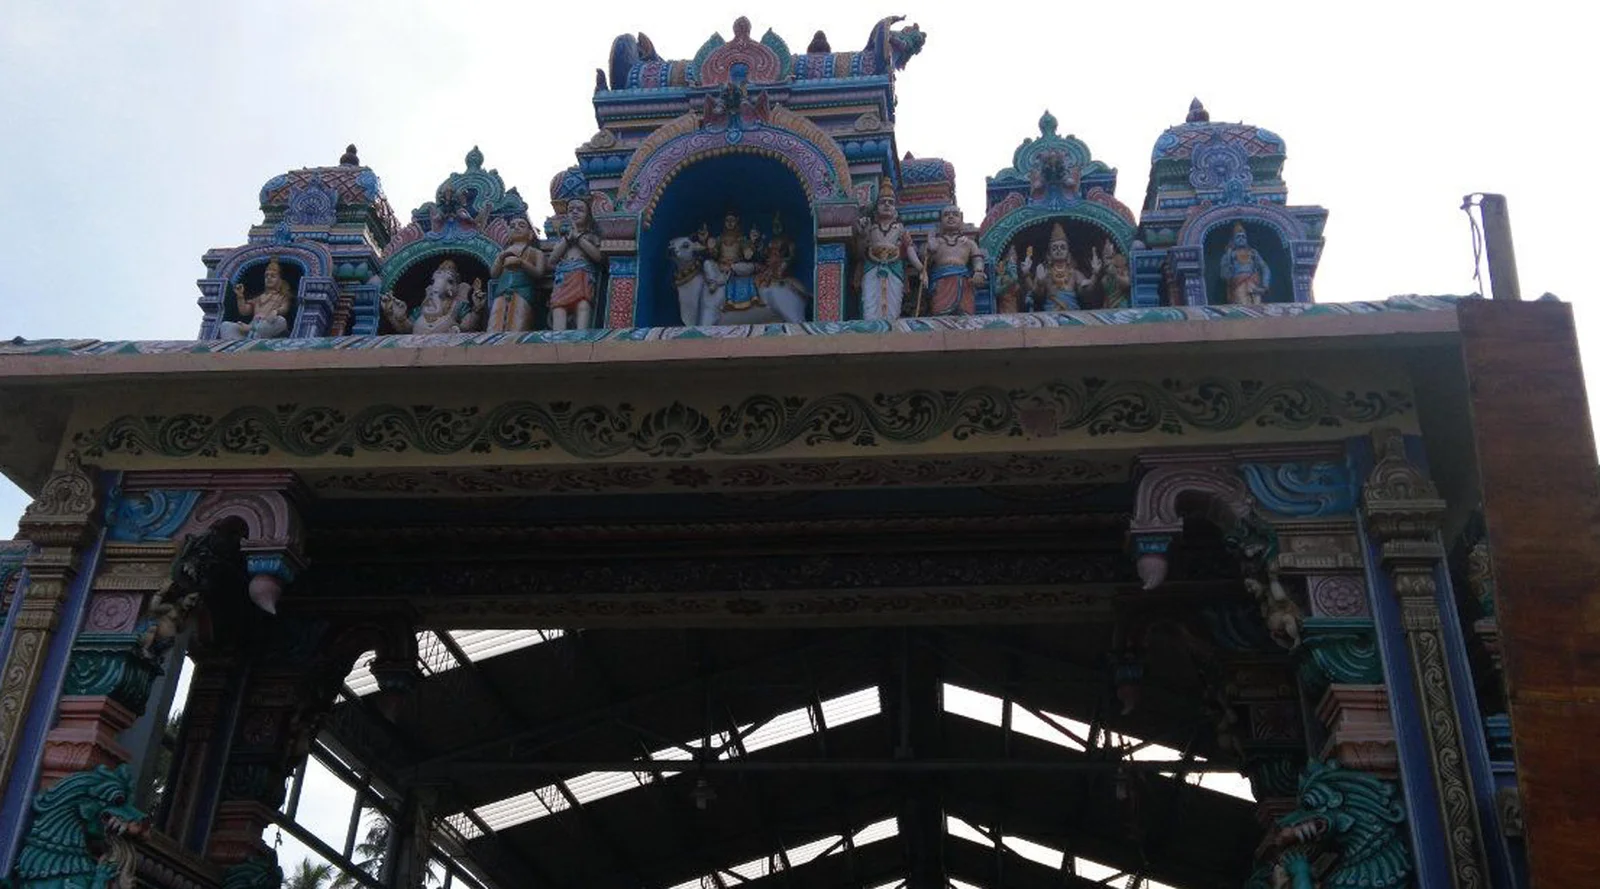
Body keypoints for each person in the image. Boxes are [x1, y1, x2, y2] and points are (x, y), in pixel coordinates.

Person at [854, 179, 922, 321]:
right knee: (869, 299)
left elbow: (910, 249)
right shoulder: (870, 227)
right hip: (872, 266)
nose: (886, 205)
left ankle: (891, 325)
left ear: (895, 209)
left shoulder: (900, 229)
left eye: (890, 202)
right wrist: (862, 234)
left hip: (894, 267)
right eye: (883, 202)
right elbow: (860, 252)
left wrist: (921, 269)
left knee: (893, 300)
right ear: (876, 208)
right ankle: (871, 324)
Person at [547, 196, 604, 330]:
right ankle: (558, 336)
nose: (575, 212)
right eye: (571, 210)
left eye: (580, 209)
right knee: (559, 306)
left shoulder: (591, 237)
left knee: (583, 304)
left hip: (582, 275)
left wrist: (578, 238)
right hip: (563, 277)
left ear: (588, 216)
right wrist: (568, 239)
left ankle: (581, 334)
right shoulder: (564, 239)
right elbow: (552, 259)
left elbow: (598, 257)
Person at [922, 206, 985, 316]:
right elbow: (924, 262)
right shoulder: (936, 242)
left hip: (963, 282)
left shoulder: (969, 243)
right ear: (941, 222)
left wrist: (978, 271)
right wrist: (929, 249)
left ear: (961, 220)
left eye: (955, 215)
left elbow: (977, 258)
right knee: (939, 313)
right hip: (941, 281)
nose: (950, 217)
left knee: (965, 314)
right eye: (946, 215)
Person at [487, 216, 546, 332]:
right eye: (512, 226)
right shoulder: (503, 253)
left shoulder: (535, 253)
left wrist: (521, 263)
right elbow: (494, 274)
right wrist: (501, 258)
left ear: (530, 234)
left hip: (523, 292)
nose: (516, 228)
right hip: (502, 292)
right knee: (496, 321)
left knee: (519, 321)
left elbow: (539, 273)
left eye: (521, 225)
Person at [219, 258, 294, 339]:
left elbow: (284, 308)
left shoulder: (282, 296)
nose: (268, 278)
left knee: (281, 321)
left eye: (273, 276)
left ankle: (254, 330)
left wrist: (276, 311)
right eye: (266, 276)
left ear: (280, 281)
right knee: (225, 325)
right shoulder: (258, 298)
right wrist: (240, 296)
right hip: (252, 326)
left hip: (268, 325)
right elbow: (244, 311)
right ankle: (251, 331)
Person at [1218, 222, 1270, 305]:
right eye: (1238, 237)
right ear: (1233, 240)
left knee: (1257, 306)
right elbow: (1224, 275)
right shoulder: (1229, 255)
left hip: (1253, 284)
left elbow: (1265, 268)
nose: (1241, 239)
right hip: (1238, 285)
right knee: (1243, 306)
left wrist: (1265, 285)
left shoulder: (1253, 253)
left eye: (1243, 237)